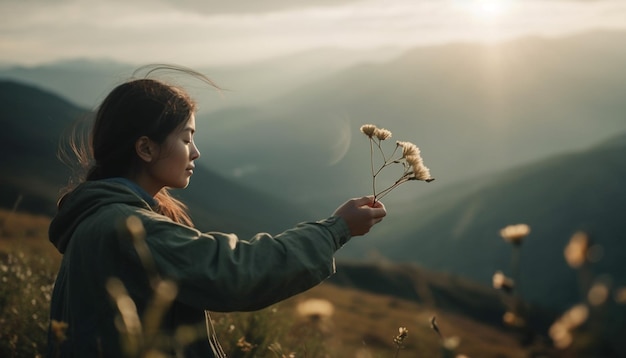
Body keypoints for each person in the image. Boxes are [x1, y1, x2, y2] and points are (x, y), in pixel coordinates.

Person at [46, 65, 386, 357]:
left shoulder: (98, 218)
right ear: (146, 148)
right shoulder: (127, 226)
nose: (195, 152)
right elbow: (235, 273)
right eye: (185, 138)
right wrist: (335, 230)